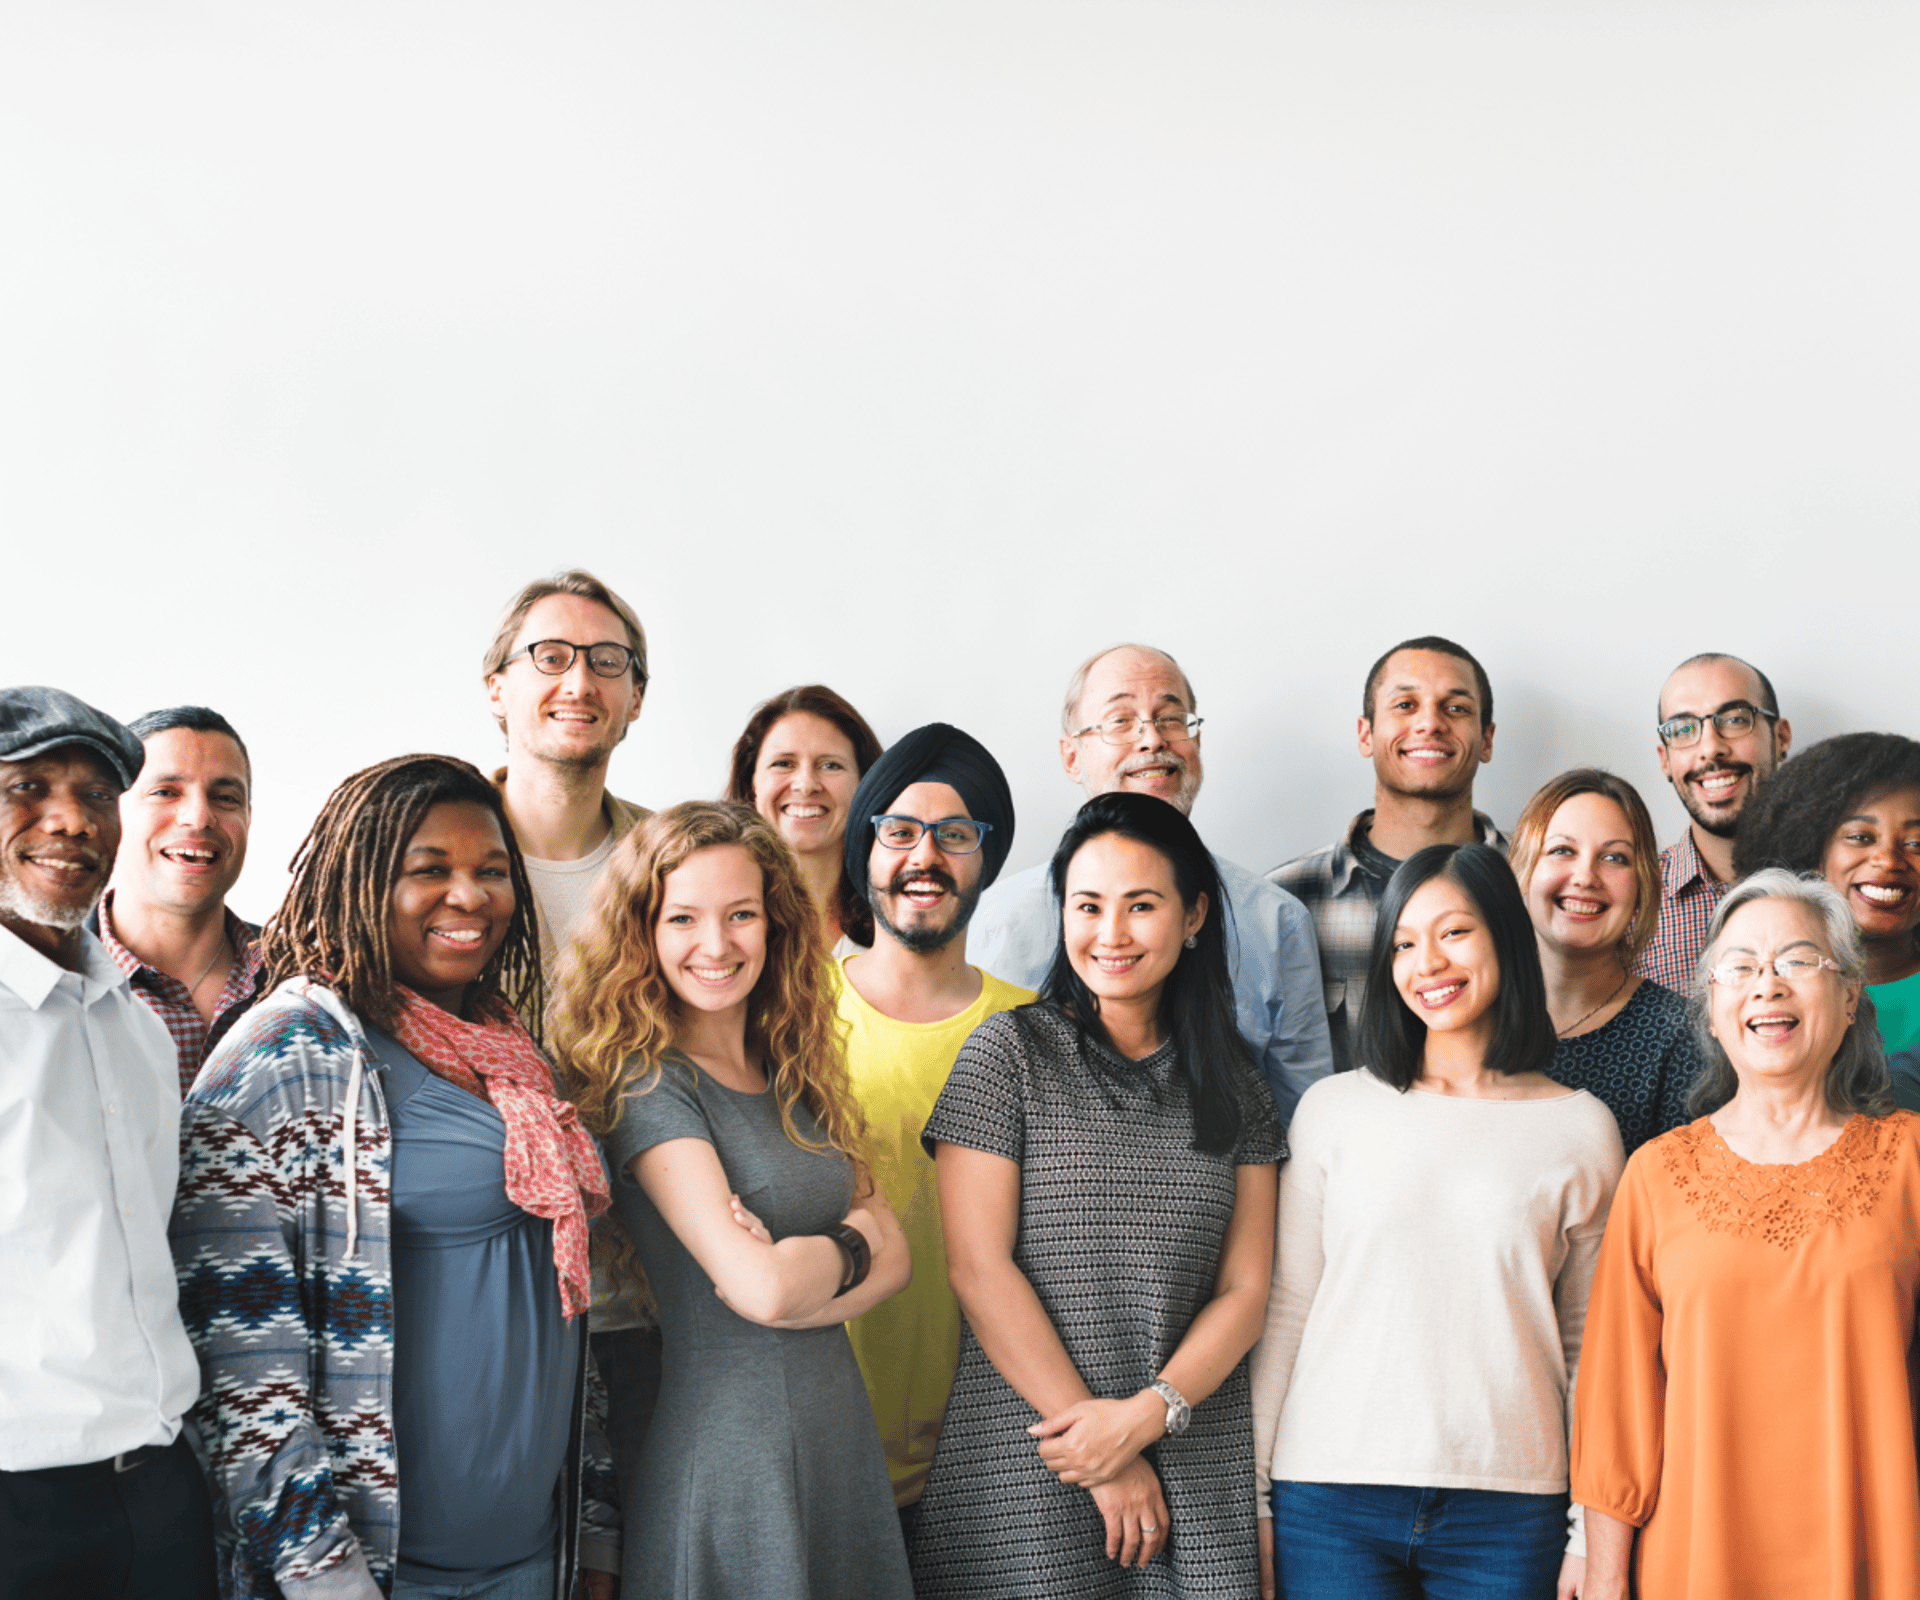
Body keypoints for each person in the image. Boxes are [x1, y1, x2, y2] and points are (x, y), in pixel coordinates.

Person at [169, 755, 619, 1600]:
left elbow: (559, 1295)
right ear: (361, 882)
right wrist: (326, 1578)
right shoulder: (287, 1059)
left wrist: (593, 1526)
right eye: (431, 870)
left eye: (492, 871)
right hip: (377, 1576)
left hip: (532, 1559)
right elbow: (240, 1374)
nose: (471, 896)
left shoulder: (509, 1053)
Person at [912, 790, 1285, 1598]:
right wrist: (1100, 1453)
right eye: (1088, 905)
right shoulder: (1008, 1054)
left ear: (1193, 917)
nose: (1109, 934)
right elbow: (979, 1268)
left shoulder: (1239, 1090)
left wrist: (1145, 1418)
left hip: (1189, 1453)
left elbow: (1246, 1291)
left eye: (1140, 905)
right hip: (1030, 1452)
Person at [550, 801, 914, 1600]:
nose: (715, 945)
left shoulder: (794, 1068)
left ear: (775, 924)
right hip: (732, 1455)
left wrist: (806, 1276)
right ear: (642, 932)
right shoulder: (649, 1086)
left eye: (740, 914)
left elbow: (899, 1260)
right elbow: (762, 1287)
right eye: (682, 918)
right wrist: (848, 1247)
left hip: (836, 1439)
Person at [1251, 843, 1623, 1600]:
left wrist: (1589, 1526)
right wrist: (1252, 1498)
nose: (1428, 963)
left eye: (1454, 932)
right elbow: (1287, 1309)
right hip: (1328, 1495)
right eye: (1405, 943)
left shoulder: (1582, 1129)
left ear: (1505, 940)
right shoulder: (1333, 1111)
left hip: (1511, 1503)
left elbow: (1592, 1346)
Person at [1573, 870, 1920, 1600]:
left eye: (1797, 960)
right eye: (1739, 968)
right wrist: (1605, 1579)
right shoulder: (1657, 1176)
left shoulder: (1910, 1161)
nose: (1767, 984)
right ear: (1714, 1009)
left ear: (1851, 994)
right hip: (1697, 1561)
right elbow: (1617, 1409)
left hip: (1876, 1555)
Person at [0, 686, 217, 1600]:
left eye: (96, 796)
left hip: (161, 1492)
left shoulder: (133, 1026)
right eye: (29, 787)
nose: (71, 820)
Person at [969, 643, 1331, 1123]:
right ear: (1072, 756)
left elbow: (1302, 1122)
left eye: (1171, 718)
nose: (1152, 739)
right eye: (1120, 721)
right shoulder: (997, 919)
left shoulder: (1277, 920)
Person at [480, 567, 658, 1512]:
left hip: (643, 1305)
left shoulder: (674, 862)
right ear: (497, 687)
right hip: (479, 1298)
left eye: (606, 662)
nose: (578, 682)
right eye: (549, 657)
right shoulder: (429, 852)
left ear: (634, 701)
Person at [830, 723, 1036, 1523]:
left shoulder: (1037, 1032)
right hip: (820, 1439)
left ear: (986, 860)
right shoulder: (785, 1013)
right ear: (866, 848)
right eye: (900, 831)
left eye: (955, 835)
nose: (925, 857)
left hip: (985, 1455)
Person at [1269, 635, 1506, 1075]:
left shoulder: (1541, 881)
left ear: (1487, 739)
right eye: (1405, 706)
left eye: (1455, 708)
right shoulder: (1284, 902)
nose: (1430, 724)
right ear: (1366, 733)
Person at [1509, 769, 1703, 1154]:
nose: (1585, 876)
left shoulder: (1683, 1038)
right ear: (1522, 870)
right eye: (1562, 850)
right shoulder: (1472, 1014)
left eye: (1615, 858)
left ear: (1642, 887)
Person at [1733, 732, 1920, 1114]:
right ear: (1810, 849)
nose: (1888, 859)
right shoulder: (1761, 993)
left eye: (1917, 843)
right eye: (1859, 836)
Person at [91, 706, 266, 1096]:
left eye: (224, 797)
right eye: (165, 792)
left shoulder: (310, 979)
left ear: (248, 819)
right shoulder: (40, 979)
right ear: (110, 811)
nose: (199, 817)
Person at [1635, 652, 1791, 991]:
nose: (1710, 748)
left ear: (1781, 738)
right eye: (1683, 729)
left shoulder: (1842, 882)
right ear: (1665, 759)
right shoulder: (1630, 905)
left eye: (1734, 719)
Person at [724, 683, 884, 955]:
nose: (806, 785)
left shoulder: (899, 916)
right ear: (752, 783)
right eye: (783, 763)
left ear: (865, 785)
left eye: (830, 765)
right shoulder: (712, 916)